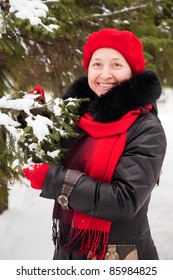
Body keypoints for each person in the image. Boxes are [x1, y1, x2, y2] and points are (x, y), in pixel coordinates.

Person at [23, 28, 167, 260]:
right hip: (70, 250)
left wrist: (54, 180)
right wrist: (33, 119)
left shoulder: (146, 128)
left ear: (132, 71)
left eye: (116, 65)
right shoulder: (79, 117)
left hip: (120, 256)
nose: (105, 74)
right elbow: (49, 156)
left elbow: (124, 201)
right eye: (97, 64)